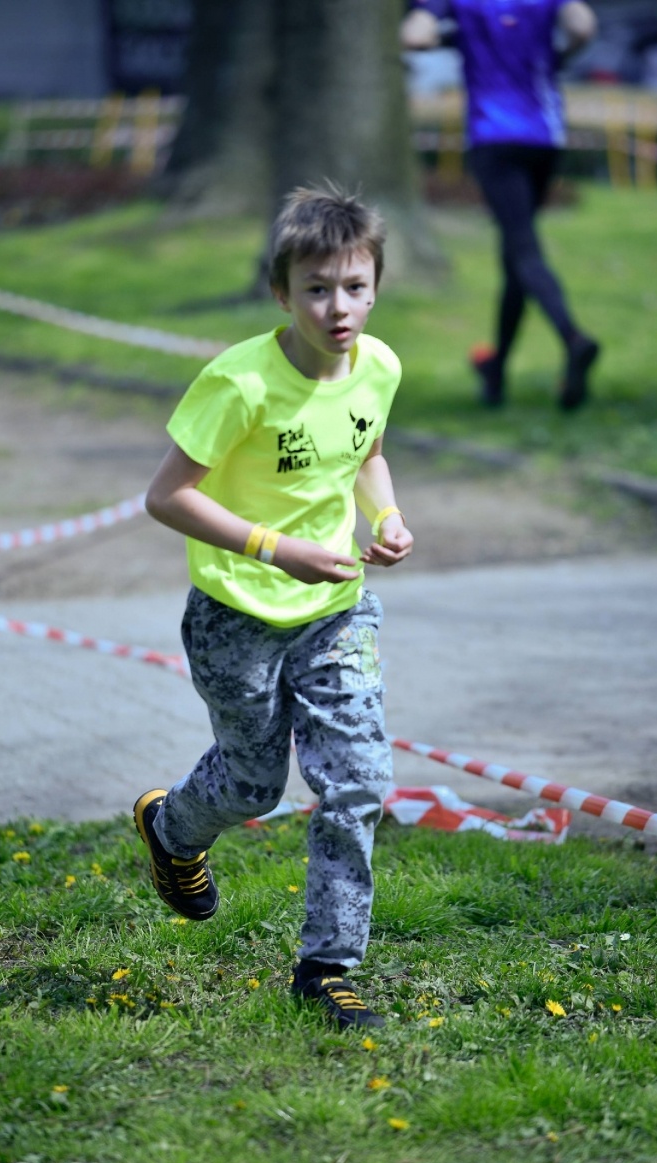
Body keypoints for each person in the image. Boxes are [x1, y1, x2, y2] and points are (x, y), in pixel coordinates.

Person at [133, 184, 413, 1030]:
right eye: (317, 289)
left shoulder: (382, 366)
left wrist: (387, 516)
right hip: (234, 615)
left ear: (375, 285)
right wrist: (273, 548)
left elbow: (363, 446)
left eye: (355, 287)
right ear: (280, 292)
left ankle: (327, 967)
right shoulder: (239, 382)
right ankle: (173, 828)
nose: (339, 308)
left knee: (357, 780)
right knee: (253, 782)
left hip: (335, 612)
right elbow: (166, 496)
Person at [402, 0, 600, 411]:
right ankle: (496, 371)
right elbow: (583, 27)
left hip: (493, 135)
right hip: (545, 134)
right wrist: (559, 57)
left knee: (523, 249)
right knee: (514, 255)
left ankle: (573, 338)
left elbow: (414, 36)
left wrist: (456, 35)